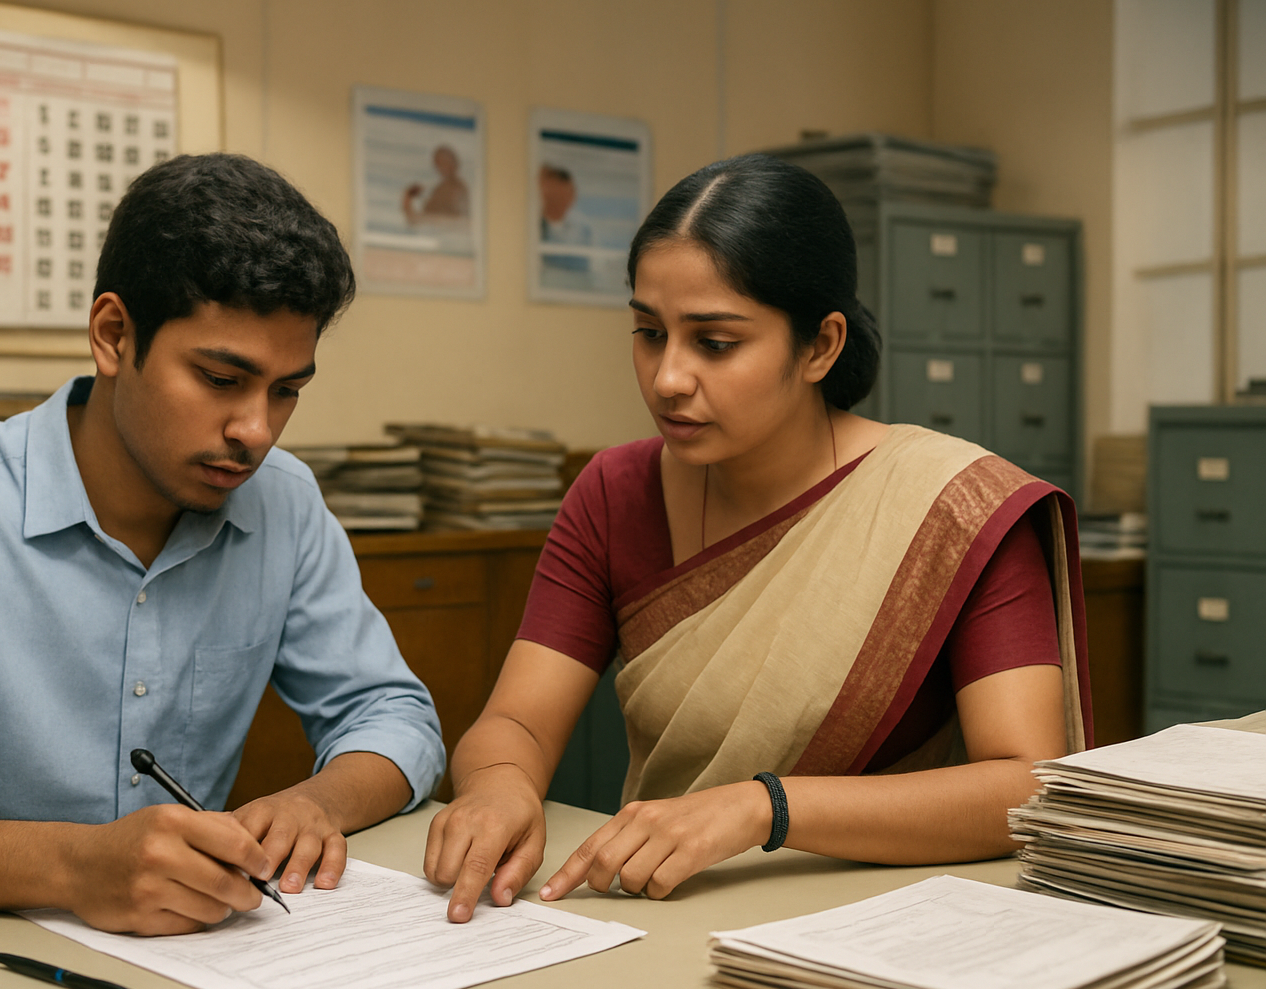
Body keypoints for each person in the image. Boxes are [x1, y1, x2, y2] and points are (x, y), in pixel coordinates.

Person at [0, 153, 445, 937]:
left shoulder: (283, 503)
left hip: (192, 962)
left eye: (287, 392)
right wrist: (76, 866)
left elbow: (392, 714)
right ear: (114, 336)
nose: (255, 432)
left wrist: (317, 802)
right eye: (219, 379)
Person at [424, 153, 1091, 924]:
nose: (668, 377)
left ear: (820, 346)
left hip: (887, 922)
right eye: (648, 332)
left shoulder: (953, 508)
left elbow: (1025, 783)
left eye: (714, 343)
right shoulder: (615, 494)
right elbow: (518, 723)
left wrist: (762, 810)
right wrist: (499, 784)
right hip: (664, 905)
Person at [402, 144, 470, 225]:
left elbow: (418, 219)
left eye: (443, 163)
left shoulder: (455, 187)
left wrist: (408, 197)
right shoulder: (444, 187)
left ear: (454, 163)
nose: (440, 167)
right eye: (438, 163)